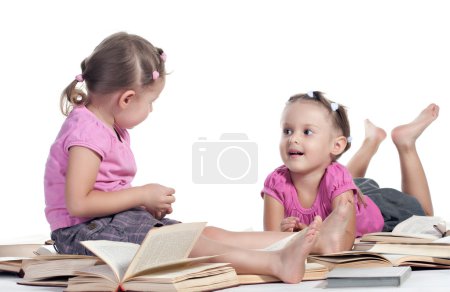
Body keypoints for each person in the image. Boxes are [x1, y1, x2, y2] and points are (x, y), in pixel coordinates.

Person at [43, 32, 355, 284]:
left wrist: (139, 204)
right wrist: (140, 194)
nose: (150, 111)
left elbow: (102, 192)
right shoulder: (88, 133)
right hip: (83, 233)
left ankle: (318, 242)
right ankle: (275, 261)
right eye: (151, 102)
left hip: (108, 223)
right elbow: (79, 204)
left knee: (205, 233)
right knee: (188, 244)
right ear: (126, 99)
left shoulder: (104, 126)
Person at [262, 91, 438, 251]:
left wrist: (303, 237)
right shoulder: (276, 182)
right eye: (287, 130)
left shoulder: (337, 177)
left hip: (378, 209)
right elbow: (271, 242)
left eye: (307, 131)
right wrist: (286, 233)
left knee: (427, 217)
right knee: (341, 181)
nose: (293, 138)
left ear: (337, 145)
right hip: (345, 191)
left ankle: (405, 143)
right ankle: (371, 140)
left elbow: (342, 242)